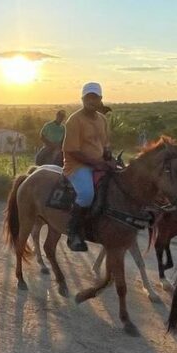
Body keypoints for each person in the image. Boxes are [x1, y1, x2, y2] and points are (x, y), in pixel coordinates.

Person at [62, 82, 114, 251]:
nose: (91, 101)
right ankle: (74, 232)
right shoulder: (74, 120)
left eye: (95, 97)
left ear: (100, 99)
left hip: (99, 164)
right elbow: (72, 150)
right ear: (82, 99)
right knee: (86, 194)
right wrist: (97, 163)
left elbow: (105, 144)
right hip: (77, 166)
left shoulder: (102, 119)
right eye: (88, 97)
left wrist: (109, 158)